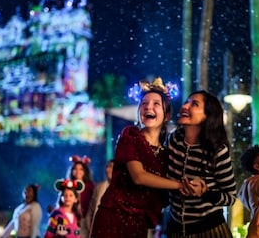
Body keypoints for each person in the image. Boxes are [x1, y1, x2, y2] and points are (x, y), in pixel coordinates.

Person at [91, 77, 202, 238]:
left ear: (167, 115)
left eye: (156, 104)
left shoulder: (166, 153)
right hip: (113, 217)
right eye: (144, 104)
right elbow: (139, 176)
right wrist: (180, 185)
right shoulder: (130, 136)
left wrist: (196, 185)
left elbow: (167, 190)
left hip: (139, 223)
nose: (148, 107)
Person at [165, 90, 237, 238]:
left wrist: (205, 193)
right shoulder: (173, 140)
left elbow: (231, 197)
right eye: (186, 102)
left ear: (207, 116)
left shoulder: (217, 151)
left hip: (209, 231)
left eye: (194, 104)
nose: (185, 106)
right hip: (175, 229)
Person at [66, 156, 95, 238]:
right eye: (75, 168)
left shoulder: (91, 186)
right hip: (70, 220)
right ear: (72, 171)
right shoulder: (68, 185)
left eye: (81, 169)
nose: (78, 171)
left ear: (85, 171)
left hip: (86, 221)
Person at [85, 159, 114, 232]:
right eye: (107, 167)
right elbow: (91, 210)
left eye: (111, 167)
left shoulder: (123, 189)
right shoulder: (98, 187)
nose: (107, 169)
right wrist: (90, 229)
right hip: (98, 229)